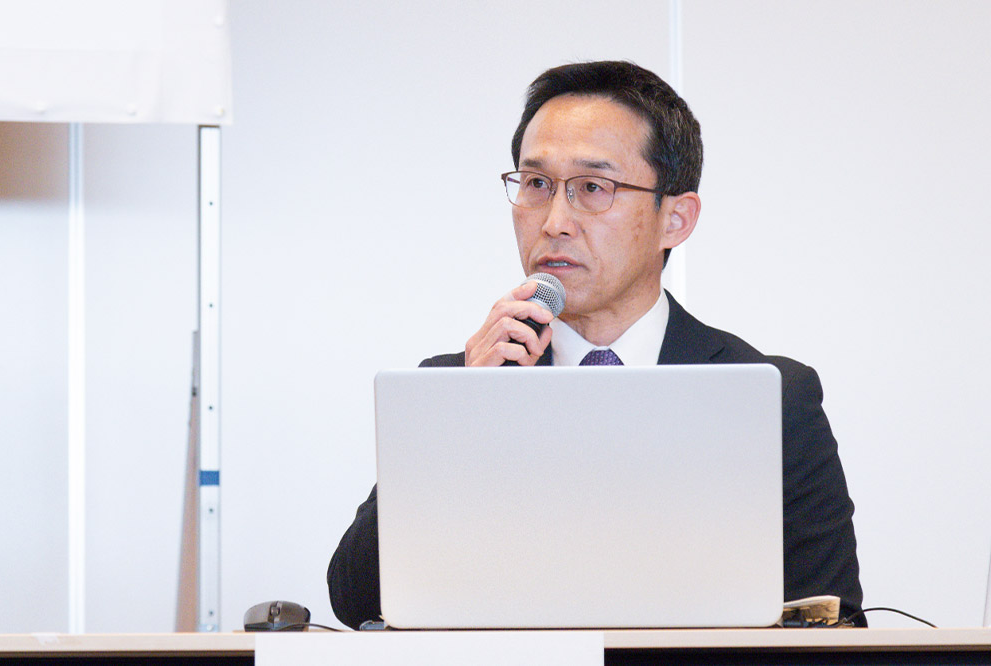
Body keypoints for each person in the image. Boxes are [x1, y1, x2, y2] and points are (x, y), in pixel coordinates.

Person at [327, 60, 864, 629]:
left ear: (676, 219)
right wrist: (461, 413)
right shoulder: (457, 387)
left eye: (592, 188)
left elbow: (835, 621)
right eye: (536, 185)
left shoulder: (772, 398)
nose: (555, 221)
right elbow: (357, 600)